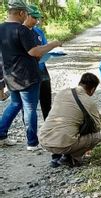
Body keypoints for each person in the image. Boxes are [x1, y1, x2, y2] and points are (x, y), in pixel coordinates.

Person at [0, 0, 61, 150]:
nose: (26, 16)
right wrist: (53, 44)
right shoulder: (22, 30)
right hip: (27, 76)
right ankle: (32, 143)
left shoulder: (1, 28)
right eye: (26, 13)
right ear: (21, 13)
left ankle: (1, 134)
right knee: (30, 108)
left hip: (10, 75)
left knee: (15, 104)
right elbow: (34, 51)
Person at [39, 73, 101, 167]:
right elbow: (96, 127)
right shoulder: (89, 101)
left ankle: (57, 156)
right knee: (97, 137)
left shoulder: (62, 92)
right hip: (63, 144)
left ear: (80, 83)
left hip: (43, 139)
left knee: (68, 125)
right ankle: (71, 158)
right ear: (93, 89)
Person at [23, 5, 52, 120]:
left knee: (46, 101)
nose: (36, 21)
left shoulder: (39, 32)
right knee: (29, 106)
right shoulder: (20, 32)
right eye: (34, 17)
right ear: (26, 15)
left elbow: (45, 47)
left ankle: (49, 128)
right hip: (27, 73)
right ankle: (30, 132)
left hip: (41, 69)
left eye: (37, 18)